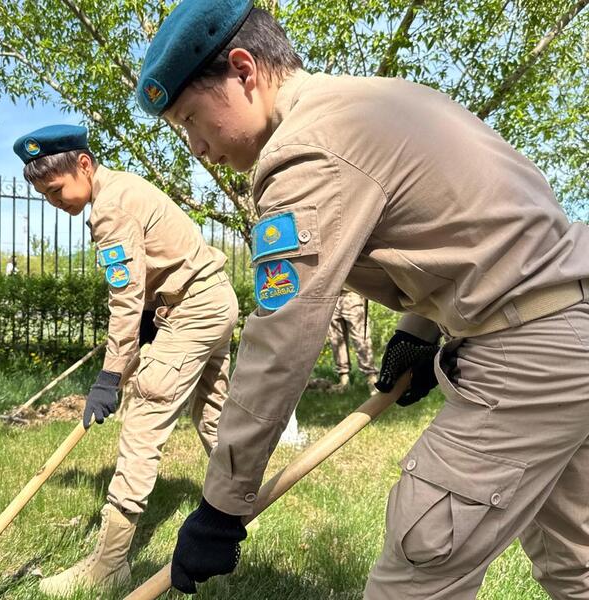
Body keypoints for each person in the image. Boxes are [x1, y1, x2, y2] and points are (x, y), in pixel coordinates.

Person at [136, 2, 589, 598]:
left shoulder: (306, 152)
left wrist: (222, 503)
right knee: (574, 561)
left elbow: (282, 336)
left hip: (532, 353)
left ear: (244, 71)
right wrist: (416, 333)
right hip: (566, 331)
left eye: (192, 119)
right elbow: (470, 231)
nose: (195, 146)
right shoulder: (376, 101)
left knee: (416, 574)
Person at [12, 124, 239, 596]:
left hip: (192, 311)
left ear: (84, 164)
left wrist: (112, 375)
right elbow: (163, 267)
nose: (55, 202)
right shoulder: (126, 186)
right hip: (214, 299)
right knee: (215, 419)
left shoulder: (110, 209)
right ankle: (238, 512)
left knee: (142, 424)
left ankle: (110, 564)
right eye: (45, 196)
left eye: (56, 190)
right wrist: (149, 324)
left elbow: (126, 295)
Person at [328, 290, 378, 389]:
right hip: (330, 296)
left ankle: (372, 381)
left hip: (351, 295)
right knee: (336, 340)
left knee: (361, 338)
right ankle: (344, 381)